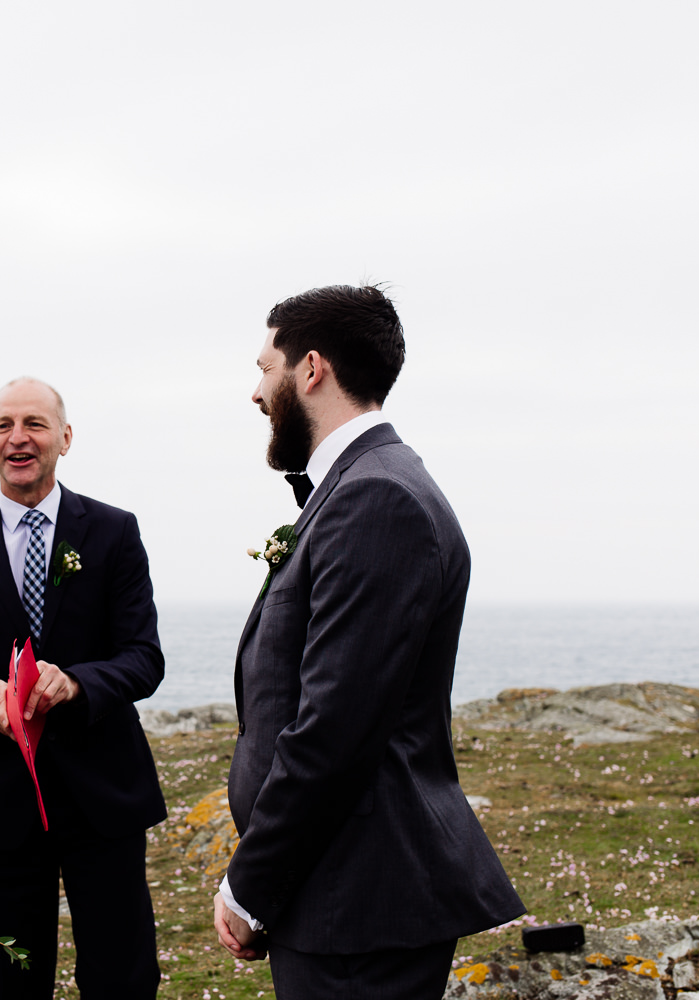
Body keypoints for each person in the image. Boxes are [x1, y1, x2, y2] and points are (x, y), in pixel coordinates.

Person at [214, 287, 525, 999]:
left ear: (312, 369)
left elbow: (335, 729)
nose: (256, 391)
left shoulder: (376, 499)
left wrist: (251, 885)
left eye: (266, 368)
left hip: (358, 902)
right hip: (335, 894)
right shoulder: (360, 488)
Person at [0, 377, 166, 999]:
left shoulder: (113, 531)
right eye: (3, 425)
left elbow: (144, 658)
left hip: (104, 797)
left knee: (121, 975)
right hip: (2, 805)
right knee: (12, 984)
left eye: (33, 423)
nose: (18, 438)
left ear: (65, 438)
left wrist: (79, 683)